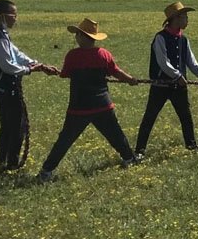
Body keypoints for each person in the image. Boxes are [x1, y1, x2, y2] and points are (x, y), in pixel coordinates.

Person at [37, 19, 139, 181]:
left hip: (79, 107)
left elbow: (65, 74)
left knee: (65, 140)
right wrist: (131, 80)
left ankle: (46, 171)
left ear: (82, 37)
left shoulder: (73, 55)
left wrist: (57, 71)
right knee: (116, 135)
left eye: (77, 34)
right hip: (103, 105)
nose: (76, 37)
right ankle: (129, 159)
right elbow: (116, 72)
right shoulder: (104, 54)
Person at [0, 0, 58, 173]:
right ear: (2, 16)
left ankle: (4, 163)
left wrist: (38, 64)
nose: (16, 18)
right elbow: (8, 66)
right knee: (16, 126)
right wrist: (30, 70)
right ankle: (11, 165)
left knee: (9, 125)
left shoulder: (0, 34)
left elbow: (16, 54)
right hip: (3, 87)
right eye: (13, 15)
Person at [134, 2, 198, 160]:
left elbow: (191, 61)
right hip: (161, 85)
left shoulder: (183, 39)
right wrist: (177, 76)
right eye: (185, 16)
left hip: (179, 86)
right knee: (150, 116)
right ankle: (139, 150)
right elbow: (163, 62)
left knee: (186, 116)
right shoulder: (160, 38)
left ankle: (191, 145)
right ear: (175, 18)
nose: (187, 20)